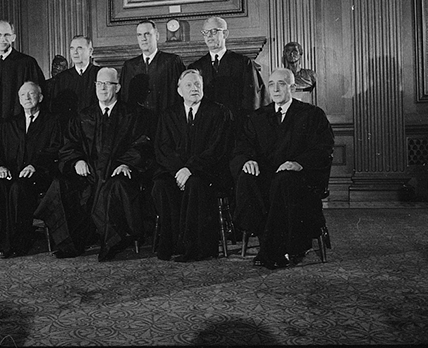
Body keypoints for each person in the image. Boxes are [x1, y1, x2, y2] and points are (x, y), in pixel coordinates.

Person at [36, 67, 151, 262]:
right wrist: (77, 160)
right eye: (99, 83)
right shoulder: (83, 115)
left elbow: (142, 143)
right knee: (61, 185)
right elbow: (69, 144)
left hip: (116, 172)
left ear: (118, 87)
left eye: (108, 84)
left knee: (116, 187)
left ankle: (112, 242)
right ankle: (70, 242)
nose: (103, 88)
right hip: (88, 174)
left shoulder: (133, 114)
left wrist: (125, 164)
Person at [230, 68, 334, 269]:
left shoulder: (312, 115)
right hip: (268, 178)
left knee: (284, 181)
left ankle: (277, 250)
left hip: (299, 178)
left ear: (292, 87)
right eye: (271, 84)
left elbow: (323, 148)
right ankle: (269, 243)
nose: (275, 89)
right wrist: (247, 160)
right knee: (247, 178)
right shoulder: (257, 117)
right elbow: (242, 146)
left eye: (281, 84)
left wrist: (298, 163)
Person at [152, 69, 233, 262]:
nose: (194, 88)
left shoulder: (218, 111)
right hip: (176, 171)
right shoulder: (169, 114)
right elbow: (162, 148)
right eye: (188, 85)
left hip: (207, 172)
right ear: (179, 90)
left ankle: (195, 248)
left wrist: (190, 169)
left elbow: (217, 148)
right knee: (161, 186)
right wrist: (179, 170)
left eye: (197, 84)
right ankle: (171, 245)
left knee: (196, 184)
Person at [0, 81, 62, 259]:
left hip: (38, 175)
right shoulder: (9, 124)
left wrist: (35, 165)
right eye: (23, 95)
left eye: (31, 94)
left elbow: (55, 149)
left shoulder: (52, 122)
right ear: (18, 99)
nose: (27, 98)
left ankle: (21, 241)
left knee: (19, 188)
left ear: (40, 97)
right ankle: (5, 240)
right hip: (11, 173)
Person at [190, 16, 269, 133]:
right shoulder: (197, 66)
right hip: (207, 129)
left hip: (236, 128)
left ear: (225, 34)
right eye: (205, 33)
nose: (209, 36)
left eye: (214, 31)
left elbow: (252, 99)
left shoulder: (242, 63)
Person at [120, 20, 185, 139]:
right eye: (139, 35)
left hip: (166, 127)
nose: (143, 38)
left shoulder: (171, 62)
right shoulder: (129, 66)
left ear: (157, 36)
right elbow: (124, 99)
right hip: (138, 130)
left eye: (147, 34)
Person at [46, 35, 100, 124]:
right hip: (68, 132)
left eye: (79, 48)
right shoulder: (62, 78)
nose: (75, 52)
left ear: (90, 51)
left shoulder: (100, 74)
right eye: (72, 48)